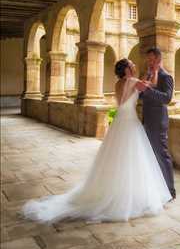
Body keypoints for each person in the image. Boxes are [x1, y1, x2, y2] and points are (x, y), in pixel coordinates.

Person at [21, 59, 171, 224]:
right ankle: (125, 195)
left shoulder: (118, 84)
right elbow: (152, 86)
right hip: (129, 122)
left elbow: (128, 96)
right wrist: (155, 71)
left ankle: (115, 190)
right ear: (127, 69)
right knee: (132, 157)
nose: (134, 65)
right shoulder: (133, 82)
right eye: (132, 64)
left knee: (115, 156)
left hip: (120, 120)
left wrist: (146, 74)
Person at [136, 48, 176, 200]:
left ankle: (170, 191)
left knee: (162, 155)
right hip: (147, 121)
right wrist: (142, 86)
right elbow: (141, 96)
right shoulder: (149, 75)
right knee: (151, 157)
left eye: (152, 60)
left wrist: (147, 89)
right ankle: (158, 189)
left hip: (158, 123)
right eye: (148, 60)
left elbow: (167, 98)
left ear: (159, 60)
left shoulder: (166, 77)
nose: (149, 62)